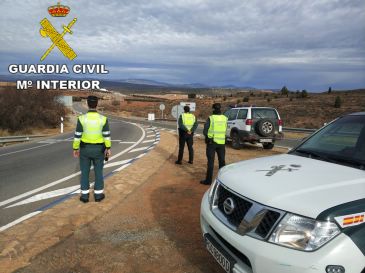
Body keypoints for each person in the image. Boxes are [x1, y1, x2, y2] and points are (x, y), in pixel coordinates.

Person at [73, 96, 111, 203]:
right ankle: (98, 195)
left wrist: (75, 148)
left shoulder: (81, 119)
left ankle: (84, 196)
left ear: (87, 104)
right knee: (98, 172)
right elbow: (106, 135)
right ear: (97, 104)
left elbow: (77, 135)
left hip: (84, 149)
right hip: (99, 150)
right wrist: (108, 148)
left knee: (84, 172)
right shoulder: (103, 119)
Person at [201, 103, 228, 185]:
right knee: (222, 162)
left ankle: (208, 180)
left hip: (211, 143)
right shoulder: (225, 118)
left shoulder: (211, 118)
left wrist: (208, 138)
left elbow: (205, 130)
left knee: (210, 162)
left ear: (213, 109)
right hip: (222, 143)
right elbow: (225, 129)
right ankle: (223, 181)